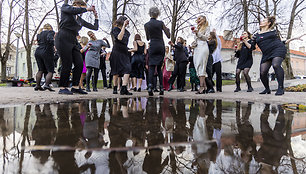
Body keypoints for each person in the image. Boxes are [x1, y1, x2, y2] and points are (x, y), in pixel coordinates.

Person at [251, 16, 303, 95]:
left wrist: (293, 39)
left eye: (264, 20)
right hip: (266, 54)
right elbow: (251, 47)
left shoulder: (273, 32)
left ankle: (281, 88)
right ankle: (267, 89)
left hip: (277, 49)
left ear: (268, 23)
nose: (261, 21)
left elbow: (280, 41)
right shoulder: (256, 35)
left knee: (276, 65)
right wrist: (245, 41)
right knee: (263, 72)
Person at [55, 0, 98, 95]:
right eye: (81, 6)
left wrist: (96, 17)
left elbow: (95, 27)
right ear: (76, 5)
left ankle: (75, 87)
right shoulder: (65, 8)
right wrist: (86, 9)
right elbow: (73, 10)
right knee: (67, 63)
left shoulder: (79, 20)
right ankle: (62, 87)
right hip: (63, 37)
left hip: (73, 40)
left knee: (79, 63)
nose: (82, 9)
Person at [144, 7, 171, 96]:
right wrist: (168, 30)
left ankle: (150, 86)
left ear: (149, 14)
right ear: (158, 14)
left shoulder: (146, 25)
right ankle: (161, 88)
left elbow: (148, 38)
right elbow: (168, 35)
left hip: (153, 45)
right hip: (160, 45)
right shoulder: (160, 23)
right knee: (159, 67)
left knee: (151, 66)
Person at [110, 16, 132, 95]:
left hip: (124, 52)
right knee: (116, 71)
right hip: (116, 51)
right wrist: (123, 27)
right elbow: (119, 38)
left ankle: (124, 88)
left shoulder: (128, 32)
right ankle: (115, 87)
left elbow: (125, 42)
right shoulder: (115, 29)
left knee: (128, 68)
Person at [34, 23, 56, 92]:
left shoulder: (39, 34)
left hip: (38, 51)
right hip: (47, 51)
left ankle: (37, 85)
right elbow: (50, 39)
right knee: (50, 70)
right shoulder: (51, 32)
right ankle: (46, 84)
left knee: (40, 69)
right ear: (50, 28)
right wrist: (55, 44)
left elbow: (38, 42)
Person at [192, 15, 210, 94]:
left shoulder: (207, 28)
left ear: (204, 20)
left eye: (200, 18)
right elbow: (196, 39)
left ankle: (202, 87)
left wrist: (198, 33)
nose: (198, 20)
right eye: (198, 18)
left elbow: (206, 38)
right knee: (197, 67)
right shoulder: (197, 28)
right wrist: (193, 44)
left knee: (201, 65)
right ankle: (205, 87)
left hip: (203, 47)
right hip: (197, 48)